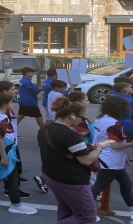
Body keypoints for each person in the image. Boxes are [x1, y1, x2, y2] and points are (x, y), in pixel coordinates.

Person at [37, 95, 105, 223]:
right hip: (71, 181)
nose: (83, 121)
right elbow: (87, 160)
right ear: (72, 115)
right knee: (87, 218)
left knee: (66, 210)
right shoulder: (71, 135)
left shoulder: (44, 129)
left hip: (51, 175)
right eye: (82, 118)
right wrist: (99, 148)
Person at [91, 95, 133, 218]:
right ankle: (81, 211)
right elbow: (115, 145)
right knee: (98, 187)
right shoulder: (114, 123)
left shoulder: (101, 118)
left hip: (106, 158)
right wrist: (130, 144)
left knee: (126, 185)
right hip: (111, 160)